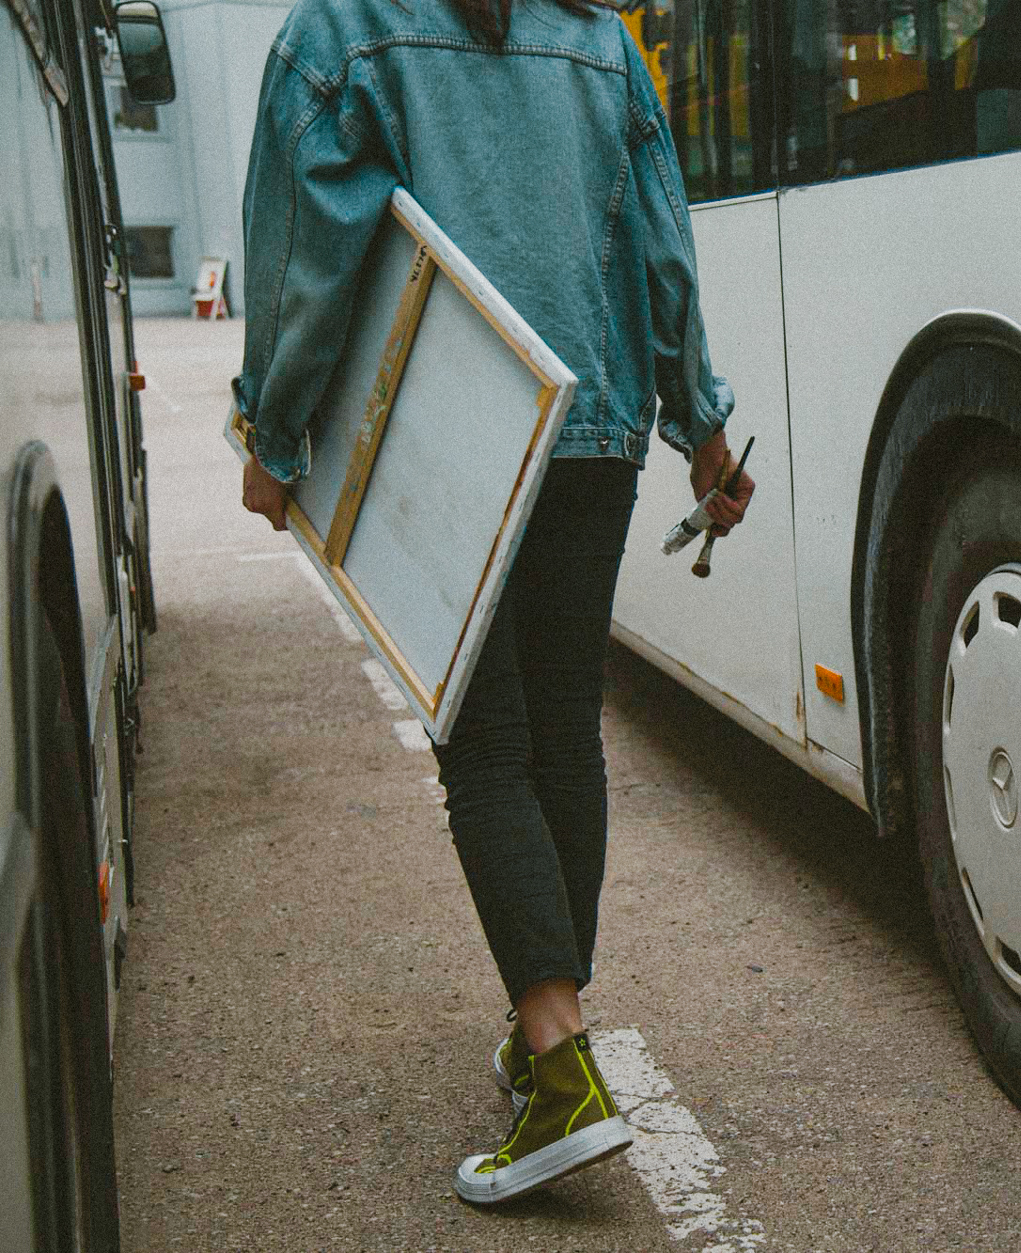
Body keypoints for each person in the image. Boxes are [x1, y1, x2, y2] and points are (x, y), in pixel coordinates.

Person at [232, 0, 754, 1205]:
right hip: (598, 422)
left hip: (453, 422)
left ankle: (562, 1059)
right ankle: (544, 1040)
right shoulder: (599, 39)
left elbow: (312, 253)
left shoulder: (344, 36)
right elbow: (661, 250)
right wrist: (703, 429)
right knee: (565, 725)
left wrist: (277, 422)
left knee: (484, 740)